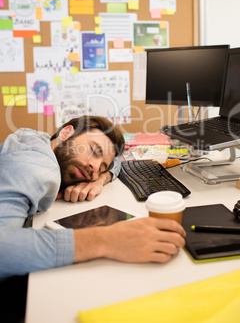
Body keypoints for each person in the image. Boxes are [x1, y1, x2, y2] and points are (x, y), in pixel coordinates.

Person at [0, 115, 186, 281]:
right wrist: (106, 240)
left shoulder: (42, 141)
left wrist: (101, 179)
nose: (94, 167)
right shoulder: (36, 169)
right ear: (66, 133)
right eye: (94, 150)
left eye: (102, 166)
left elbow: (117, 161)